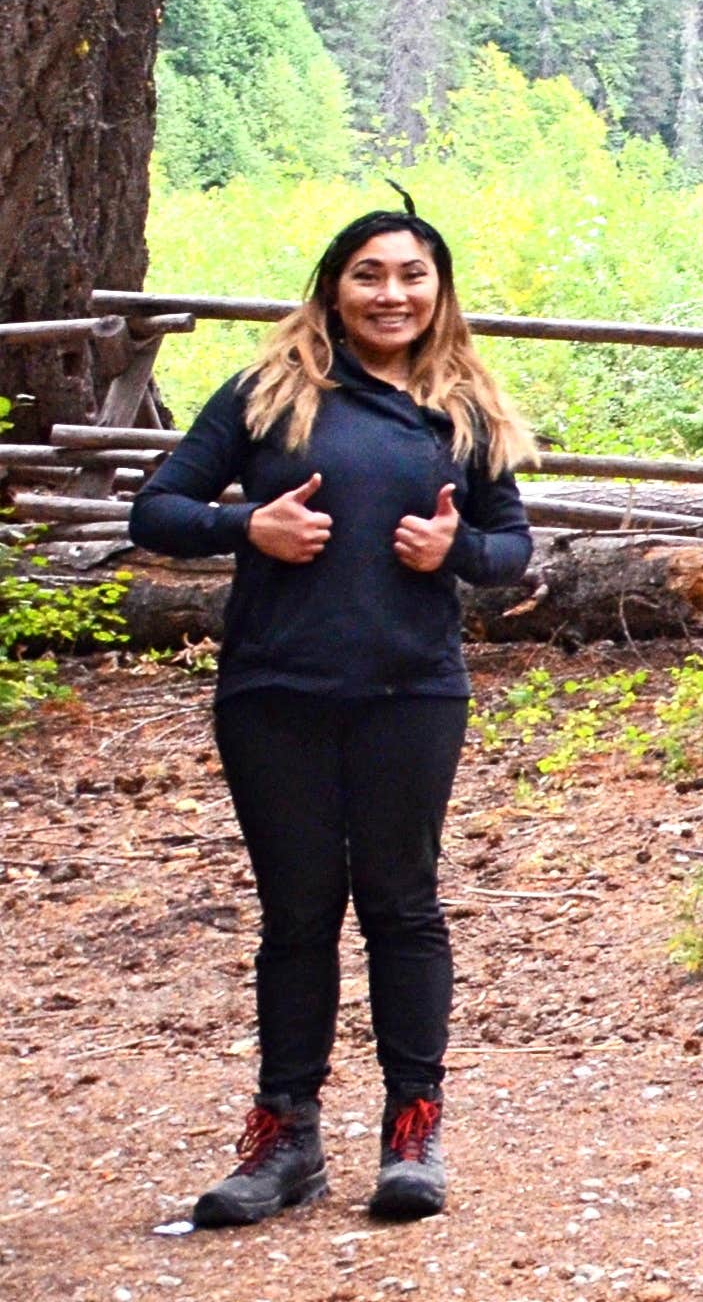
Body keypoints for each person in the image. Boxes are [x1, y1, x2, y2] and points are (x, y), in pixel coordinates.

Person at [131, 198, 533, 1229]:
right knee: (298, 913)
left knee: (401, 904)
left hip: (411, 692)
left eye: (410, 275)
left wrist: (459, 557)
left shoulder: (465, 409)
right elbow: (157, 509)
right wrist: (244, 526)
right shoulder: (269, 394)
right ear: (332, 286)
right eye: (368, 274)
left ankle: (414, 1131)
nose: (390, 294)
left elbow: (510, 545)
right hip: (277, 692)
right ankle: (286, 1139)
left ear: (438, 290)